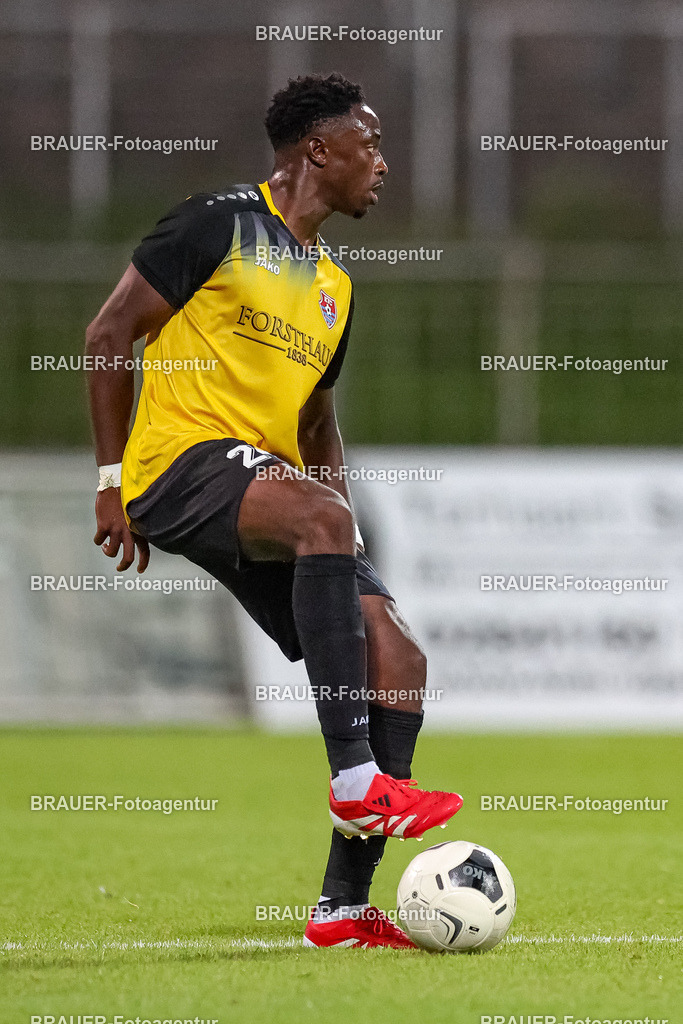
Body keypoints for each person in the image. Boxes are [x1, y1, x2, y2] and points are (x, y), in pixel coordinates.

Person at [85, 72, 462, 949]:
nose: (382, 164)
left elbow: (316, 424)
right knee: (320, 521)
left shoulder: (335, 285)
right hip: (175, 466)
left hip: (266, 488)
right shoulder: (216, 223)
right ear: (316, 151)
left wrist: (346, 526)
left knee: (397, 657)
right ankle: (355, 777)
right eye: (369, 146)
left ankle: (341, 907)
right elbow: (108, 335)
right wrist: (110, 480)